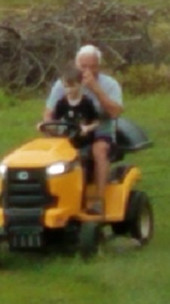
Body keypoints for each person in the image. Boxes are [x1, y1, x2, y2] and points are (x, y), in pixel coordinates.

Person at [44, 45, 124, 216]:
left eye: (92, 67)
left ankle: (99, 200)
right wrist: (50, 128)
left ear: (98, 67)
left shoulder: (110, 85)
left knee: (99, 150)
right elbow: (49, 113)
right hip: (70, 131)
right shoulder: (64, 84)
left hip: (99, 130)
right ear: (76, 64)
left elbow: (115, 112)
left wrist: (96, 89)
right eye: (83, 66)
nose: (87, 71)